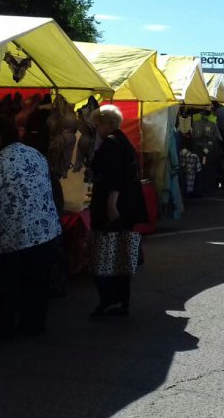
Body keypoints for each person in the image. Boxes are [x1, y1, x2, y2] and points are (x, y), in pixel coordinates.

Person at [0, 114, 61, 339]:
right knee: (36, 283)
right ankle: (34, 325)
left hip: (11, 236)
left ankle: (4, 328)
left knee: (6, 285)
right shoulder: (35, 154)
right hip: (43, 230)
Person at [88, 105, 148, 319]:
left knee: (106, 256)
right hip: (125, 206)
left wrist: (111, 204)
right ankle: (121, 301)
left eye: (97, 124)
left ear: (106, 123)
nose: (96, 128)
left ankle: (110, 301)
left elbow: (114, 177)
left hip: (113, 207)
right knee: (120, 256)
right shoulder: (122, 141)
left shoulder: (111, 144)